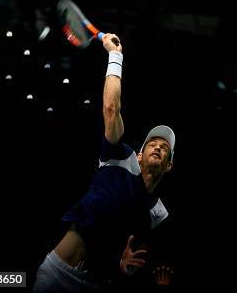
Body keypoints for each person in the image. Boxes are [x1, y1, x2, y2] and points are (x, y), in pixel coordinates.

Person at [33, 33, 175, 292]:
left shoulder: (158, 212)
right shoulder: (121, 160)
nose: (158, 146)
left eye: (164, 148)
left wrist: (127, 268)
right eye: (152, 143)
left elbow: (136, 259)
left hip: (98, 284)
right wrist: (115, 55)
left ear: (168, 165)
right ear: (139, 154)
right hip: (58, 274)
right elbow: (111, 108)